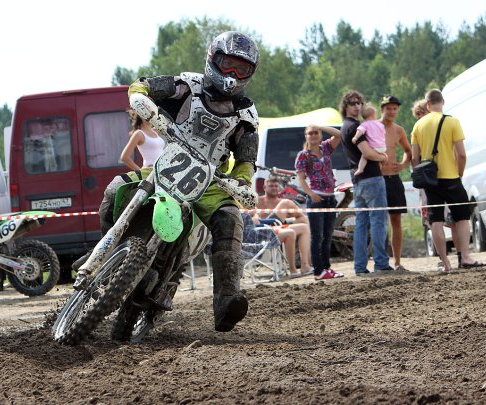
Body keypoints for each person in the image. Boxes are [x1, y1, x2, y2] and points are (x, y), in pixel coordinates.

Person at [89, 31, 260, 332]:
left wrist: (241, 183)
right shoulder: (186, 86)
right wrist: (140, 98)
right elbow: (142, 85)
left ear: (250, 73)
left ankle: (226, 300)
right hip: (166, 164)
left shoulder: (246, 114)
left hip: (209, 182)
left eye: (241, 68)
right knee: (116, 189)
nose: (232, 74)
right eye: (227, 64)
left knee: (231, 219)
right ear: (213, 59)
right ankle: (110, 254)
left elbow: (246, 159)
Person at [411, 89, 485, 272]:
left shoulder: (418, 125)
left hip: (430, 181)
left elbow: (414, 158)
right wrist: (459, 173)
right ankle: (465, 257)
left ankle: (445, 263)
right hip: (451, 177)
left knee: (435, 221)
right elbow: (461, 154)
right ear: (442, 102)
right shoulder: (452, 122)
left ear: (427, 104)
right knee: (462, 218)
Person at [339, 90, 391, 275]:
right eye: (352, 103)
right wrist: (383, 157)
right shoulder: (355, 127)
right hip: (371, 177)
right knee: (378, 221)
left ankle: (360, 266)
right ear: (345, 106)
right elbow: (368, 152)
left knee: (361, 224)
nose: (357, 106)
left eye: (359, 102)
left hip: (357, 180)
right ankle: (381, 263)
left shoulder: (345, 126)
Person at [295, 124, 345, 281]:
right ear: (306, 136)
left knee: (328, 235)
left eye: (316, 132)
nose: (313, 135)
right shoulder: (303, 155)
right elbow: (301, 179)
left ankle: (326, 268)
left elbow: (339, 134)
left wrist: (320, 126)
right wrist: (311, 194)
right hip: (316, 199)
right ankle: (318, 271)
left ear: (320, 135)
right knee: (317, 236)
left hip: (330, 197)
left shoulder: (326, 148)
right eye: (310, 133)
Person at [253, 176, 312, 277]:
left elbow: (299, 217)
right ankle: (305, 264)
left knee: (304, 224)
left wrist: (292, 220)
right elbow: (252, 217)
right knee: (286, 203)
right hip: (265, 231)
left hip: (278, 229)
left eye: (276, 186)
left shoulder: (279, 201)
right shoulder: (258, 201)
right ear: (264, 188)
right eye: (271, 186)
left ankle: (306, 265)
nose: (274, 188)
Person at [379, 95, 413, 272]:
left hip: (393, 178)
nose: (391, 112)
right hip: (377, 179)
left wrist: (403, 164)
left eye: (394, 109)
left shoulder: (398, 130)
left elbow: (408, 150)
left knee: (396, 220)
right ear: (382, 110)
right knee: (378, 220)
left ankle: (398, 261)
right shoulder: (373, 127)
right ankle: (381, 261)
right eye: (388, 108)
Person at [351, 104, 387, 176]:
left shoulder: (365, 124)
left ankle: (360, 169)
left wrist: (355, 137)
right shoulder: (380, 125)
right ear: (373, 115)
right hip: (383, 147)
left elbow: (360, 130)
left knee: (365, 155)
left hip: (374, 147)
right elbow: (384, 133)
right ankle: (380, 169)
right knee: (380, 159)